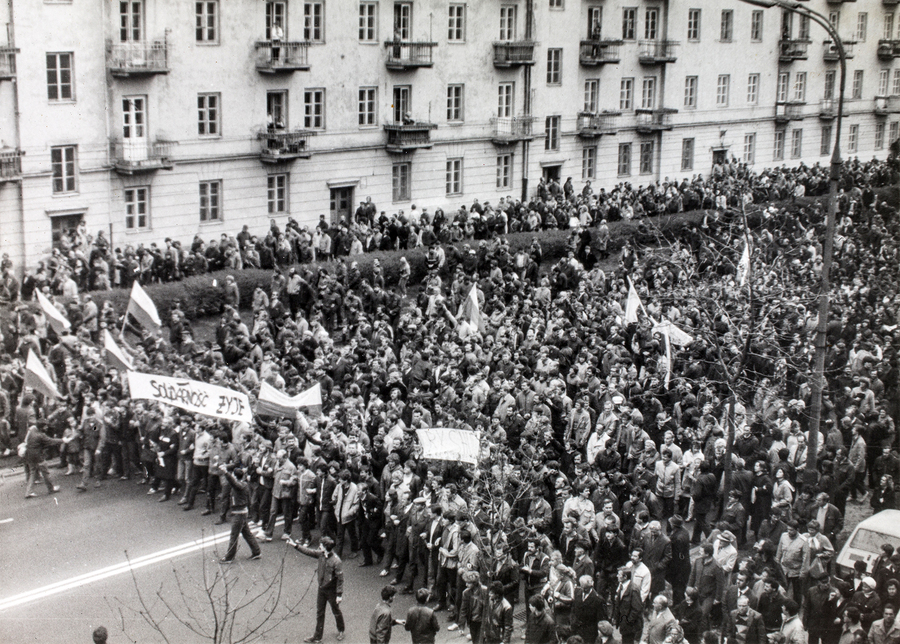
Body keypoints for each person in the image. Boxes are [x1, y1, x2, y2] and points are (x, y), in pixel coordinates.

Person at [288, 535, 345, 643]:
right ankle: (317, 636)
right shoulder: (321, 554)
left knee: (336, 611)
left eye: (321, 545)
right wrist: (295, 546)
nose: (319, 546)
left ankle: (341, 629)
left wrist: (339, 594)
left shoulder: (336, 561)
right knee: (320, 613)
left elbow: (340, 579)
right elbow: (309, 552)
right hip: (322, 589)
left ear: (325, 547)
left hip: (331, 590)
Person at [218, 464, 262, 563]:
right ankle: (256, 552)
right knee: (246, 533)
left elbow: (232, 482)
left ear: (235, 476)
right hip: (241, 513)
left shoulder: (240, 486)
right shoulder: (243, 484)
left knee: (234, 535)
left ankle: (229, 557)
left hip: (239, 514)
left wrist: (225, 472)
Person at [22, 423, 63, 498]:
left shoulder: (32, 431)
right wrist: (63, 440)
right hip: (38, 457)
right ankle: (51, 489)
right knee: (45, 473)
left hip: (29, 456)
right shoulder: (40, 435)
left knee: (32, 473)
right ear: (41, 427)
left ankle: (28, 492)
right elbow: (51, 441)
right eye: (45, 426)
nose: (46, 428)